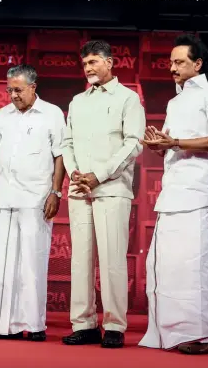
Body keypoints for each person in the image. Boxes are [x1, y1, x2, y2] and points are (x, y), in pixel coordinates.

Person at [138, 33, 208, 355]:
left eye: (179, 62)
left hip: (199, 191)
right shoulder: (174, 102)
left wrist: (174, 143)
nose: (172, 68)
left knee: (197, 266)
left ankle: (204, 336)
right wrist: (158, 145)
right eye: (170, 63)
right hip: (173, 189)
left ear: (198, 63)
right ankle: (172, 332)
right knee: (168, 264)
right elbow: (170, 146)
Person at [0, 64, 66, 341]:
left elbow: (61, 156)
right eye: (9, 90)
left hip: (37, 200)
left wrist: (56, 193)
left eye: (18, 90)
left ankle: (34, 326)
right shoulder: (2, 115)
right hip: (4, 200)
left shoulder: (52, 114)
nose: (13, 95)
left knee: (32, 264)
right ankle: (1, 326)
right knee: (0, 264)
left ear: (33, 87)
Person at [60, 40, 145, 349]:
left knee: (111, 259)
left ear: (110, 63)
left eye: (94, 61)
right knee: (80, 260)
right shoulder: (77, 101)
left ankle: (114, 325)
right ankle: (83, 324)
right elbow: (66, 143)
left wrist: (100, 175)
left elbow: (134, 143)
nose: (89, 68)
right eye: (85, 64)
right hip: (80, 188)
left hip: (111, 188)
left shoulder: (128, 99)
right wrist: (75, 175)